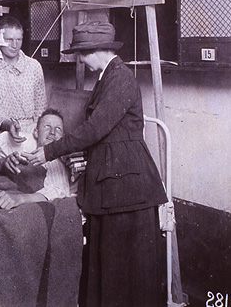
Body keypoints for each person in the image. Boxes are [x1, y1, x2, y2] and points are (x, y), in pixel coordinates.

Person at [24, 21, 168, 306]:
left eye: (81, 53)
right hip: (111, 180)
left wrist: (48, 151)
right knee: (109, 260)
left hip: (127, 185)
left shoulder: (120, 78)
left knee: (125, 265)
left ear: (95, 50)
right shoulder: (107, 77)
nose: (79, 59)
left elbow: (94, 129)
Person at [0, 108, 77, 210]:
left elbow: (57, 192)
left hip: (12, 201)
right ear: (36, 133)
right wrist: (2, 163)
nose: (52, 132)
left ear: (63, 138)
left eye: (58, 128)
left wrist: (19, 199)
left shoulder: (56, 163)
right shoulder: (19, 151)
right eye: (47, 126)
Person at [0, 16, 47, 155]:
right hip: (0, 134)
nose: (14, 45)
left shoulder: (34, 66)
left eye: (19, 39)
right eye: (9, 40)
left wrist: (37, 132)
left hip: (31, 134)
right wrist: (9, 125)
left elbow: (41, 108)